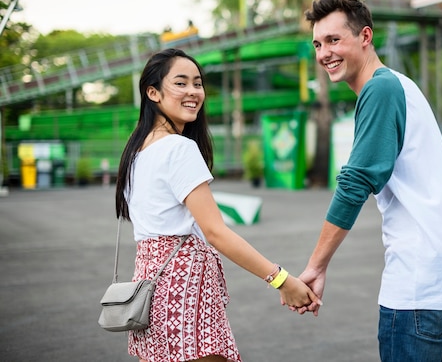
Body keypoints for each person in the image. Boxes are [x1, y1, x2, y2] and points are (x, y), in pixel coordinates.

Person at [296, 0, 442, 362]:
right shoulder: (401, 84)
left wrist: (316, 266)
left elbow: (355, 183)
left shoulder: (380, 89)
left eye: (334, 40)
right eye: (318, 44)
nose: (323, 53)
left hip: (420, 287)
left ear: (365, 37)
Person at [115, 48, 320, 362]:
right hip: (184, 294)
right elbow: (216, 232)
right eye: (180, 83)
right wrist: (281, 280)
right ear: (152, 92)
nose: (193, 92)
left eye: (197, 83)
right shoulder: (178, 148)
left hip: (149, 292)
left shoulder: (136, 151)